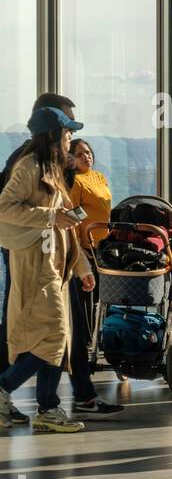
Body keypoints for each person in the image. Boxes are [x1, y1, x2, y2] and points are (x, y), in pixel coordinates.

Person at [0, 107, 94, 433]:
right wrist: (50, 217)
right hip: (36, 267)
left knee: (54, 338)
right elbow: (5, 207)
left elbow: (68, 221)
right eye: (68, 132)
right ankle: (10, 391)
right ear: (54, 135)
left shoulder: (51, 169)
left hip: (53, 266)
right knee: (56, 336)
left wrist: (81, 266)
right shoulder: (30, 167)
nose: (71, 138)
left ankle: (47, 407)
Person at [64, 139, 125, 416]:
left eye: (88, 152)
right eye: (79, 154)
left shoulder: (99, 177)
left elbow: (106, 207)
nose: (85, 156)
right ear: (71, 159)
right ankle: (87, 344)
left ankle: (101, 341)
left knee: (105, 297)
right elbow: (73, 216)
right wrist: (80, 252)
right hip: (86, 247)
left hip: (105, 245)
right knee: (88, 298)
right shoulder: (75, 182)